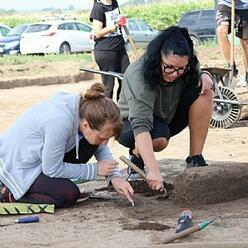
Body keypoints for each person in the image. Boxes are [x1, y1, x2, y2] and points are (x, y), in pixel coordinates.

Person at [0, 83, 134, 208]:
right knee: (68, 194)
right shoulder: (60, 122)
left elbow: (101, 148)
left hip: (40, 162)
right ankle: (8, 192)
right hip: (15, 166)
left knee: (91, 144)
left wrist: (115, 177)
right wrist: (94, 170)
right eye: (102, 138)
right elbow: (51, 169)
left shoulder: (85, 113)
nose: (105, 143)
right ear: (86, 125)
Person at [117, 26, 213, 191]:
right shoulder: (139, 75)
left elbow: (198, 73)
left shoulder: (185, 67)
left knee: (205, 92)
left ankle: (195, 159)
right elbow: (141, 126)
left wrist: (205, 75)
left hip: (167, 116)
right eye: (169, 67)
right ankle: (137, 157)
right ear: (158, 58)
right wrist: (154, 170)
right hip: (129, 125)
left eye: (180, 68)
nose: (175, 73)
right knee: (159, 140)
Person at [90, 0, 130, 100]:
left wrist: (121, 20)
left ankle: (122, 110)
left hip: (120, 48)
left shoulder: (114, 3)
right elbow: (97, 32)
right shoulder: (98, 8)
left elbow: (116, 21)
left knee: (126, 79)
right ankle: (106, 112)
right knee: (109, 86)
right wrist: (109, 29)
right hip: (106, 51)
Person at [216, 0, 248, 85]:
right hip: (226, 3)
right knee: (221, 30)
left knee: (245, 42)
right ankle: (231, 68)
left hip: (245, 6)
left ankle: (247, 73)